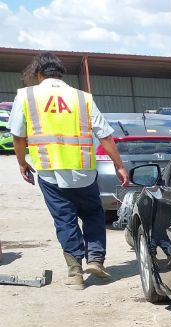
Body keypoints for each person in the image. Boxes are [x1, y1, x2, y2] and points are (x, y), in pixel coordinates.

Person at [9, 52, 129, 289]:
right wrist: (119, 165)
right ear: (60, 73)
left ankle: (75, 273)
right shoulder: (82, 97)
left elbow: (18, 135)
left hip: (49, 171)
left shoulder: (26, 96)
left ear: (39, 73)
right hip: (82, 170)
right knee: (93, 214)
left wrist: (22, 163)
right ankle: (95, 259)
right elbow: (104, 134)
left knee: (65, 219)